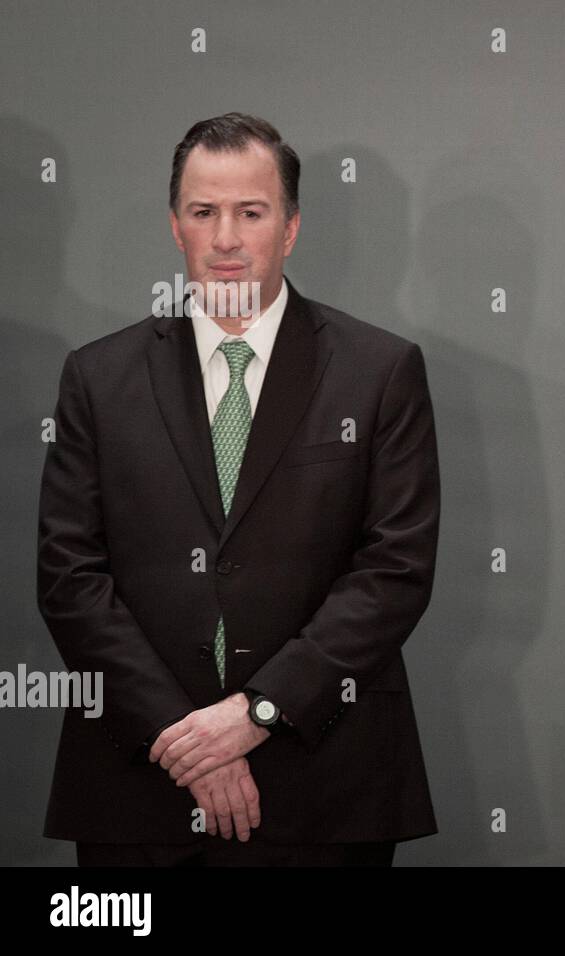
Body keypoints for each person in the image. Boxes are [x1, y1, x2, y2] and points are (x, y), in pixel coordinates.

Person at [37, 112, 440, 865]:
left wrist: (258, 712)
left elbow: (395, 572)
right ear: (176, 227)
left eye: (250, 212)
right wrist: (188, 740)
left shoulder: (379, 372)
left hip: (326, 782)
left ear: (288, 228)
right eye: (204, 212)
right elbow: (69, 580)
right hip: (142, 783)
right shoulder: (97, 379)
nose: (226, 237)